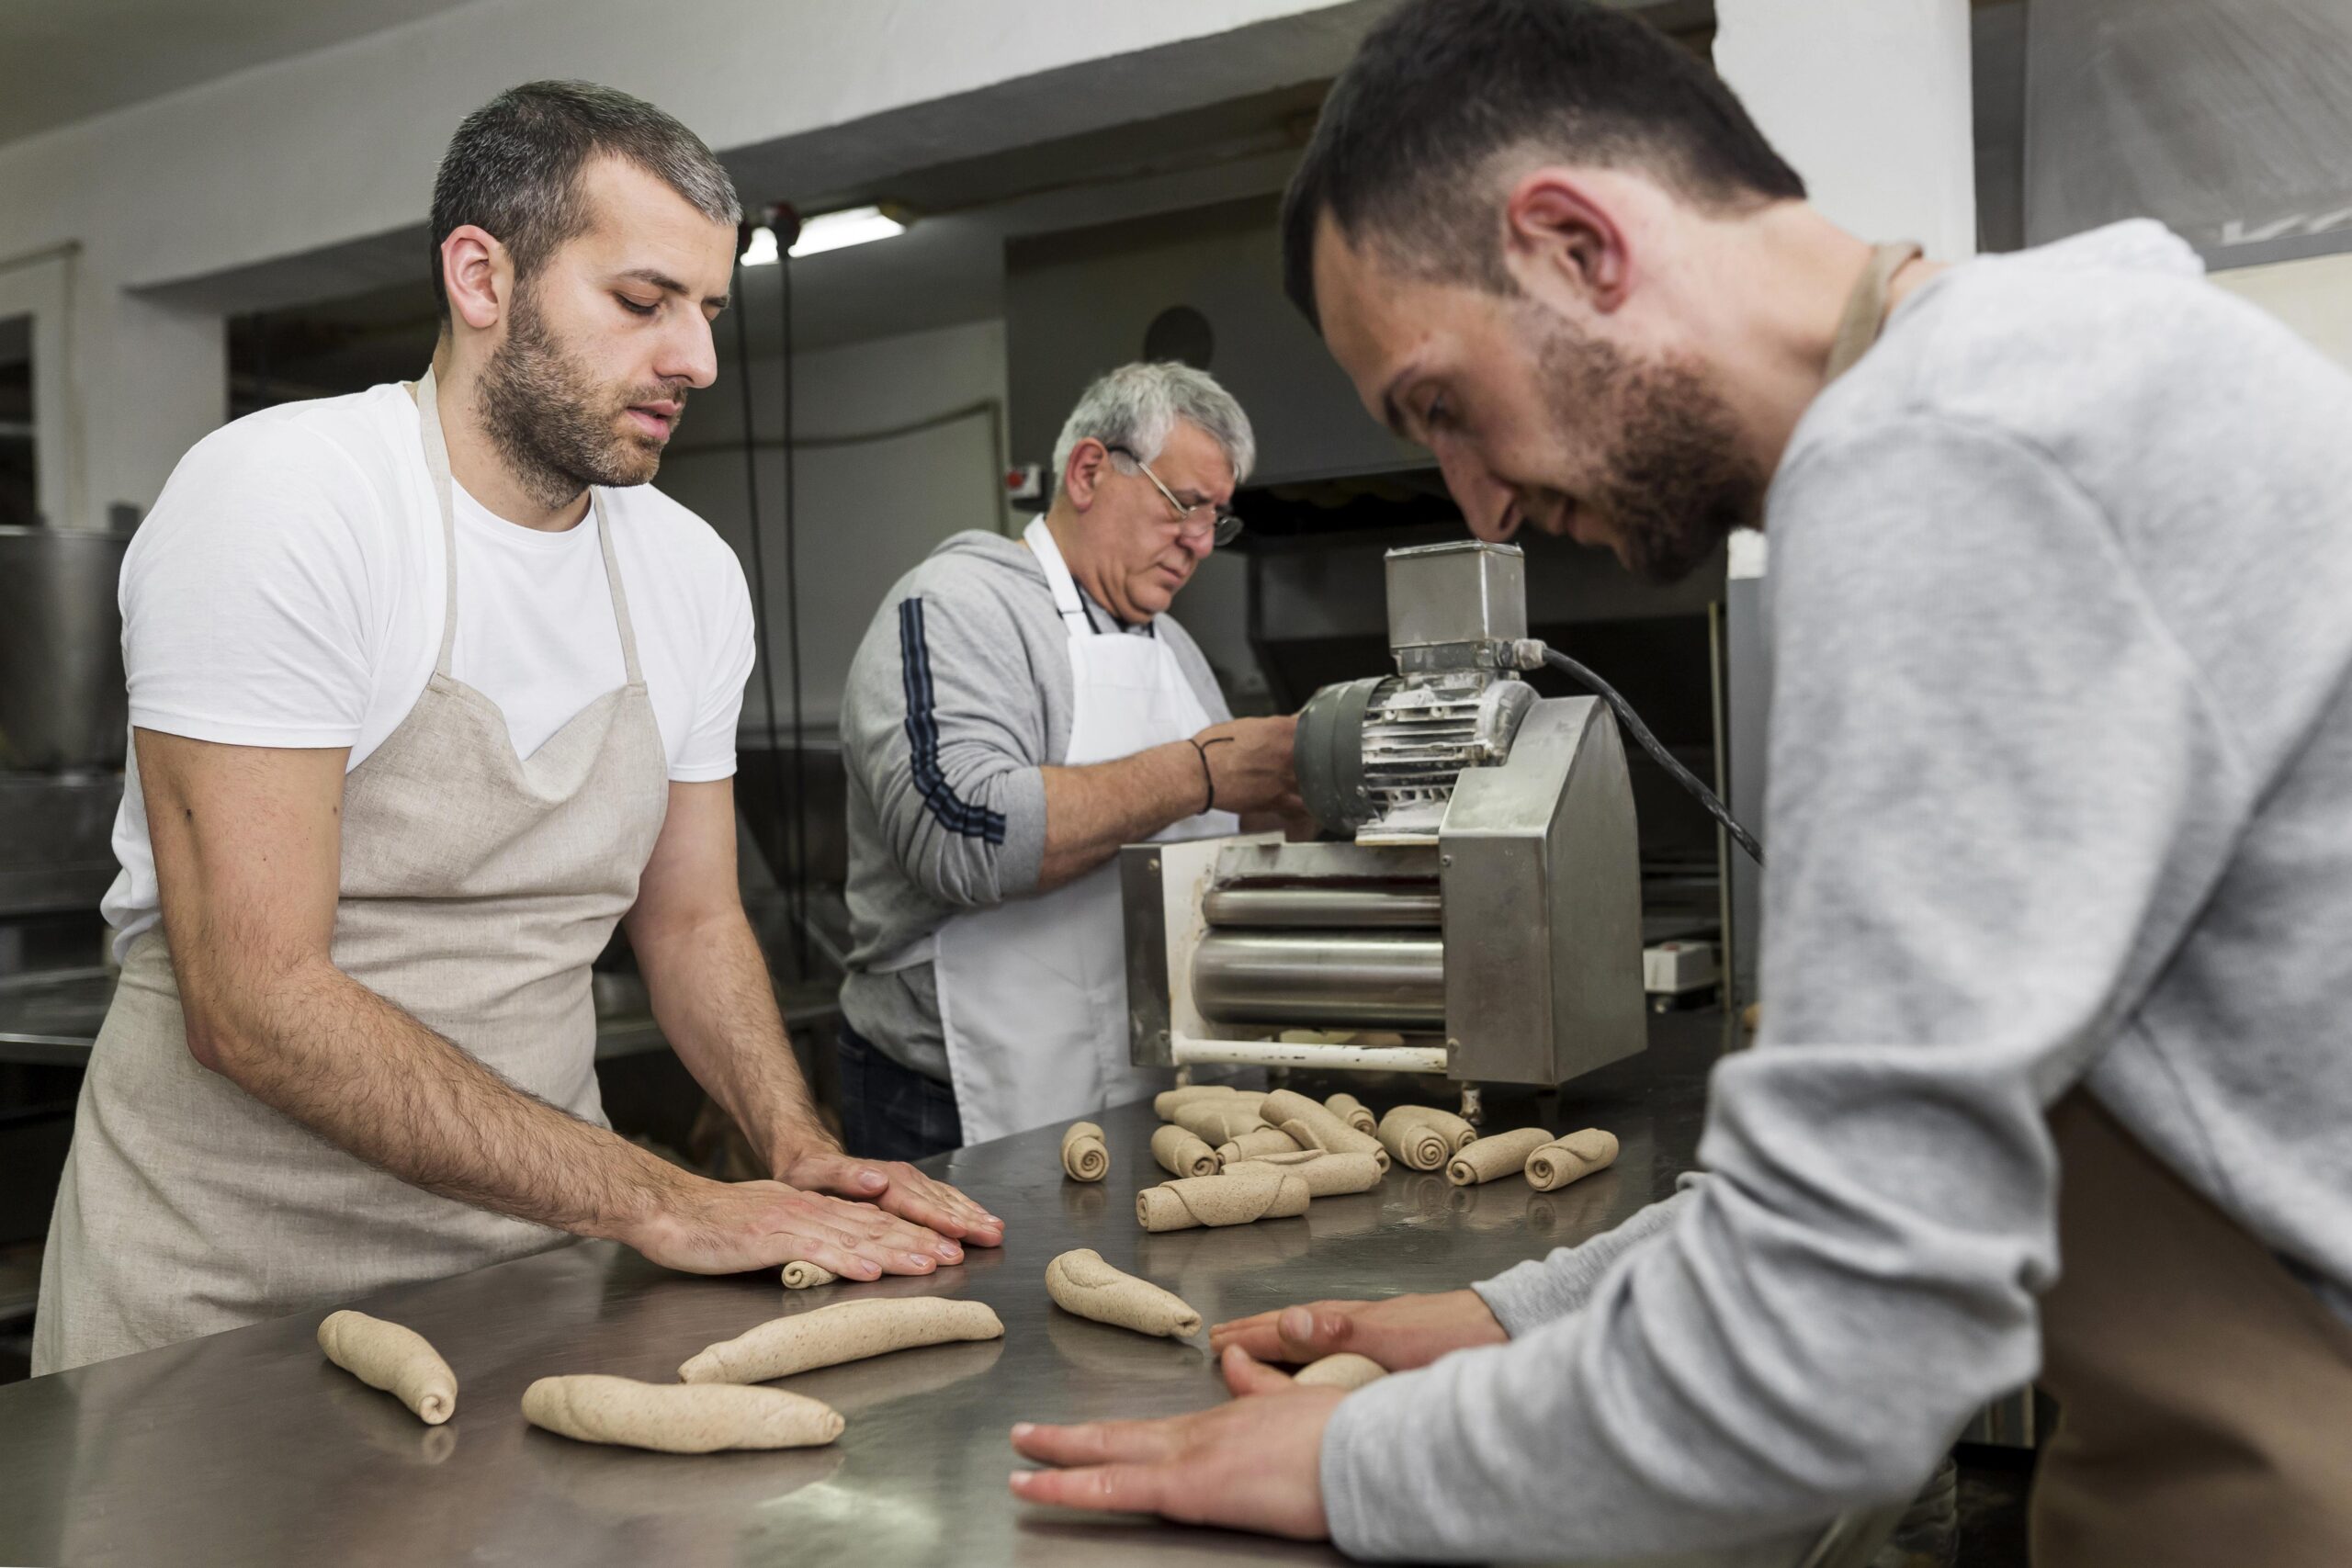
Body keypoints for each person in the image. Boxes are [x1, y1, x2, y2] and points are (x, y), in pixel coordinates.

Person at [1007, 3, 2352, 1563]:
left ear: (1580, 245)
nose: (1479, 501)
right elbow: (1891, 1179)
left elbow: (1830, 1341)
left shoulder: (1956, 459)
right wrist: (1513, 1313)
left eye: (1443, 404)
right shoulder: (2040, 379)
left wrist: (1358, 1461)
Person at [34, 81, 999, 1375]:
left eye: (708, 313)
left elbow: (695, 920)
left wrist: (791, 1138)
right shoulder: (285, 502)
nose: (698, 363)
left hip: (530, 1263)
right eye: (643, 302)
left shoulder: (689, 572)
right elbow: (252, 1001)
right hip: (220, 1294)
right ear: (482, 277)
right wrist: (663, 1196)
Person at [836, 363, 1300, 1159]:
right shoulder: (956, 605)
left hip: (1142, 1085)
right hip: (953, 1101)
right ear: (1090, 471)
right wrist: (1201, 770)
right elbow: (964, 836)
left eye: (1215, 519)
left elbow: (1222, 830)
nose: (1198, 541)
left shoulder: (1174, 648)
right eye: (1184, 503)